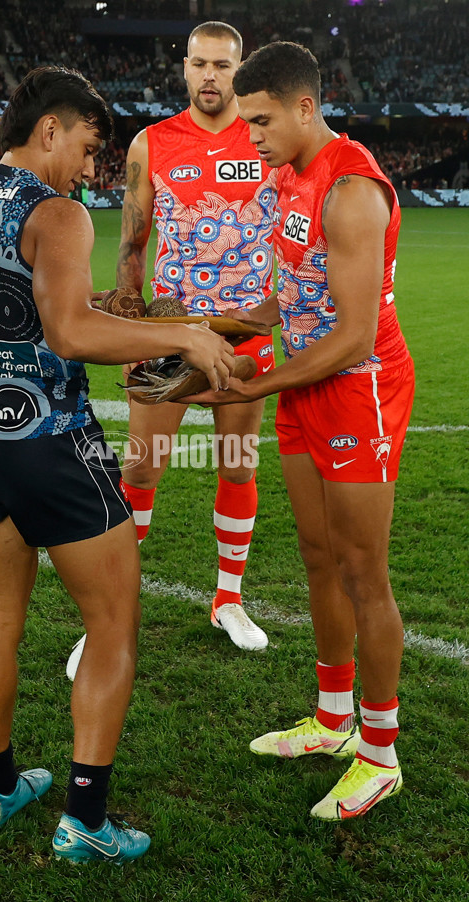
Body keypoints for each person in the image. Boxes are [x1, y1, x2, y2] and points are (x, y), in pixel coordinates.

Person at [0, 66, 233, 864]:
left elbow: (29, 313)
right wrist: (183, 337)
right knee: (113, 624)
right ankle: (85, 821)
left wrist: (117, 312)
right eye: (86, 146)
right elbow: (69, 333)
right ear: (51, 129)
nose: (89, 167)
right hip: (52, 441)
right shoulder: (58, 211)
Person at [184, 41, 415, 820]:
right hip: (307, 384)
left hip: (357, 389)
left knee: (362, 571)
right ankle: (331, 719)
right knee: (318, 558)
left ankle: (379, 755)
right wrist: (211, 328)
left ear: (304, 107)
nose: (249, 136)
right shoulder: (288, 175)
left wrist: (253, 382)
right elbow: (295, 295)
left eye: (260, 121)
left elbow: (353, 336)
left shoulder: (351, 189)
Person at [118, 22, 276, 652]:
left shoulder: (265, 136)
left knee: (237, 465)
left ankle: (228, 600)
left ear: (240, 69)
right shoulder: (151, 143)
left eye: (223, 65)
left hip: (244, 339)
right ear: (184, 67)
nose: (210, 76)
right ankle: (115, 613)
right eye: (200, 63)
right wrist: (130, 328)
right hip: (168, 337)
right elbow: (132, 247)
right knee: (141, 468)